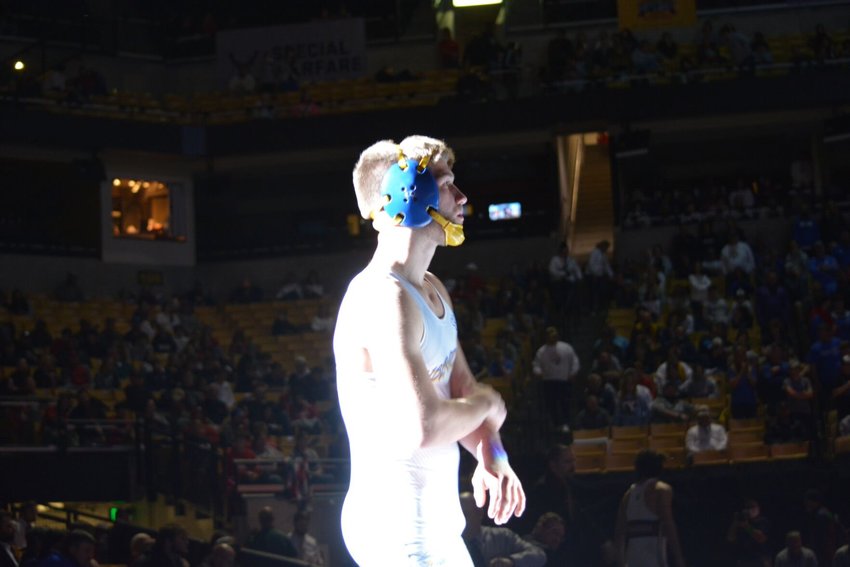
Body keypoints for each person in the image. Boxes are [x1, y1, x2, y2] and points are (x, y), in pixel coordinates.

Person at [334, 135, 525, 566]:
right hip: (396, 529)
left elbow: (462, 386)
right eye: (445, 183)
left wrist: (492, 452)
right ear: (407, 193)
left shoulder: (432, 288)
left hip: (434, 525)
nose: (461, 196)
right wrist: (490, 403)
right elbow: (428, 424)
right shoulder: (383, 298)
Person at [615, 450, 686, 567]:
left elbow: (619, 534)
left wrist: (622, 563)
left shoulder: (628, 494)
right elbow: (669, 525)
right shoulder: (661, 490)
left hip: (633, 561)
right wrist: (679, 558)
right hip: (655, 560)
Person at [460, 492, 546, 567]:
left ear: (479, 513)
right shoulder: (449, 545)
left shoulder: (502, 537)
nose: (459, 519)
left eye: (465, 514)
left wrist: (511, 561)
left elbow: (539, 556)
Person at [532, 326, 581, 427]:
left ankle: (566, 423)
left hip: (564, 380)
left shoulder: (566, 348)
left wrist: (573, 372)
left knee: (565, 403)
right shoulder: (541, 351)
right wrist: (538, 372)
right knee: (551, 404)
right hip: (549, 381)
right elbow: (536, 365)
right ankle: (555, 424)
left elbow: (574, 361)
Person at [726, 498, 770, 567]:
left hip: (759, 559)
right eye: (747, 507)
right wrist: (734, 523)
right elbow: (730, 538)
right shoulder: (740, 522)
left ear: (758, 508)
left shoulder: (762, 521)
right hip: (743, 559)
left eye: (752, 506)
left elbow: (761, 538)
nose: (750, 509)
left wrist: (746, 526)